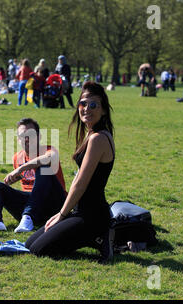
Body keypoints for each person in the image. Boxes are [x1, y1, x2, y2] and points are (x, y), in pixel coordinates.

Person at [25, 81, 116, 264]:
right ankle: (92, 237)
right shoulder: (91, 134)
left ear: (104, 110)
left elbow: (80, 183)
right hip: (79, 211)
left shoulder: (99, 138)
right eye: (83, 104)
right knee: (29, 244)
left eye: (93, 105)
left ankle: (100, 237)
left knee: (39, 250)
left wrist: (62, 214)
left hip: (93, 216)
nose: (86, 109)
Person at [0, 118, 66, 233]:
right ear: (18, 139)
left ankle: (28, 216)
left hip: (55, 204)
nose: (26, 139)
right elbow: (27, 177)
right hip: (31, 203)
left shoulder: (48, 150)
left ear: (39, 136)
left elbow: (49, 158)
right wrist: (10, 182)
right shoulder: (17, 157)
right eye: (22, 136)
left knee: (44, 169)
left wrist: (21, 168)